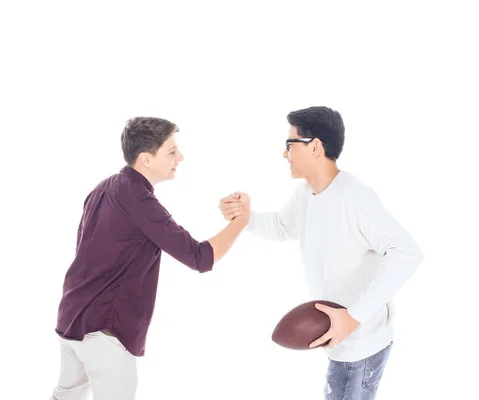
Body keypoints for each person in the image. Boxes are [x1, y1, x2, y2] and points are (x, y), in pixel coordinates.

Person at [219, 106, 423, 399]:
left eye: (290, 145)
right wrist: (245, 217)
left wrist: (353, 318)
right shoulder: (306, 194)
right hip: (343, 343)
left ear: (314, 147)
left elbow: (406, 253)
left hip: (360, 346)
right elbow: (281, 226)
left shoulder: (354, 197)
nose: (284, 154)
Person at [49, 116, 250, 400]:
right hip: (104, 334)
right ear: (145, 159)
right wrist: (241, 221)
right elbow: (200, 258)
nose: (180, 157)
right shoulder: (138, 199)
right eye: (171, 151)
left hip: (72, 319)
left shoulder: (104, 187)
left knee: (65, 396)